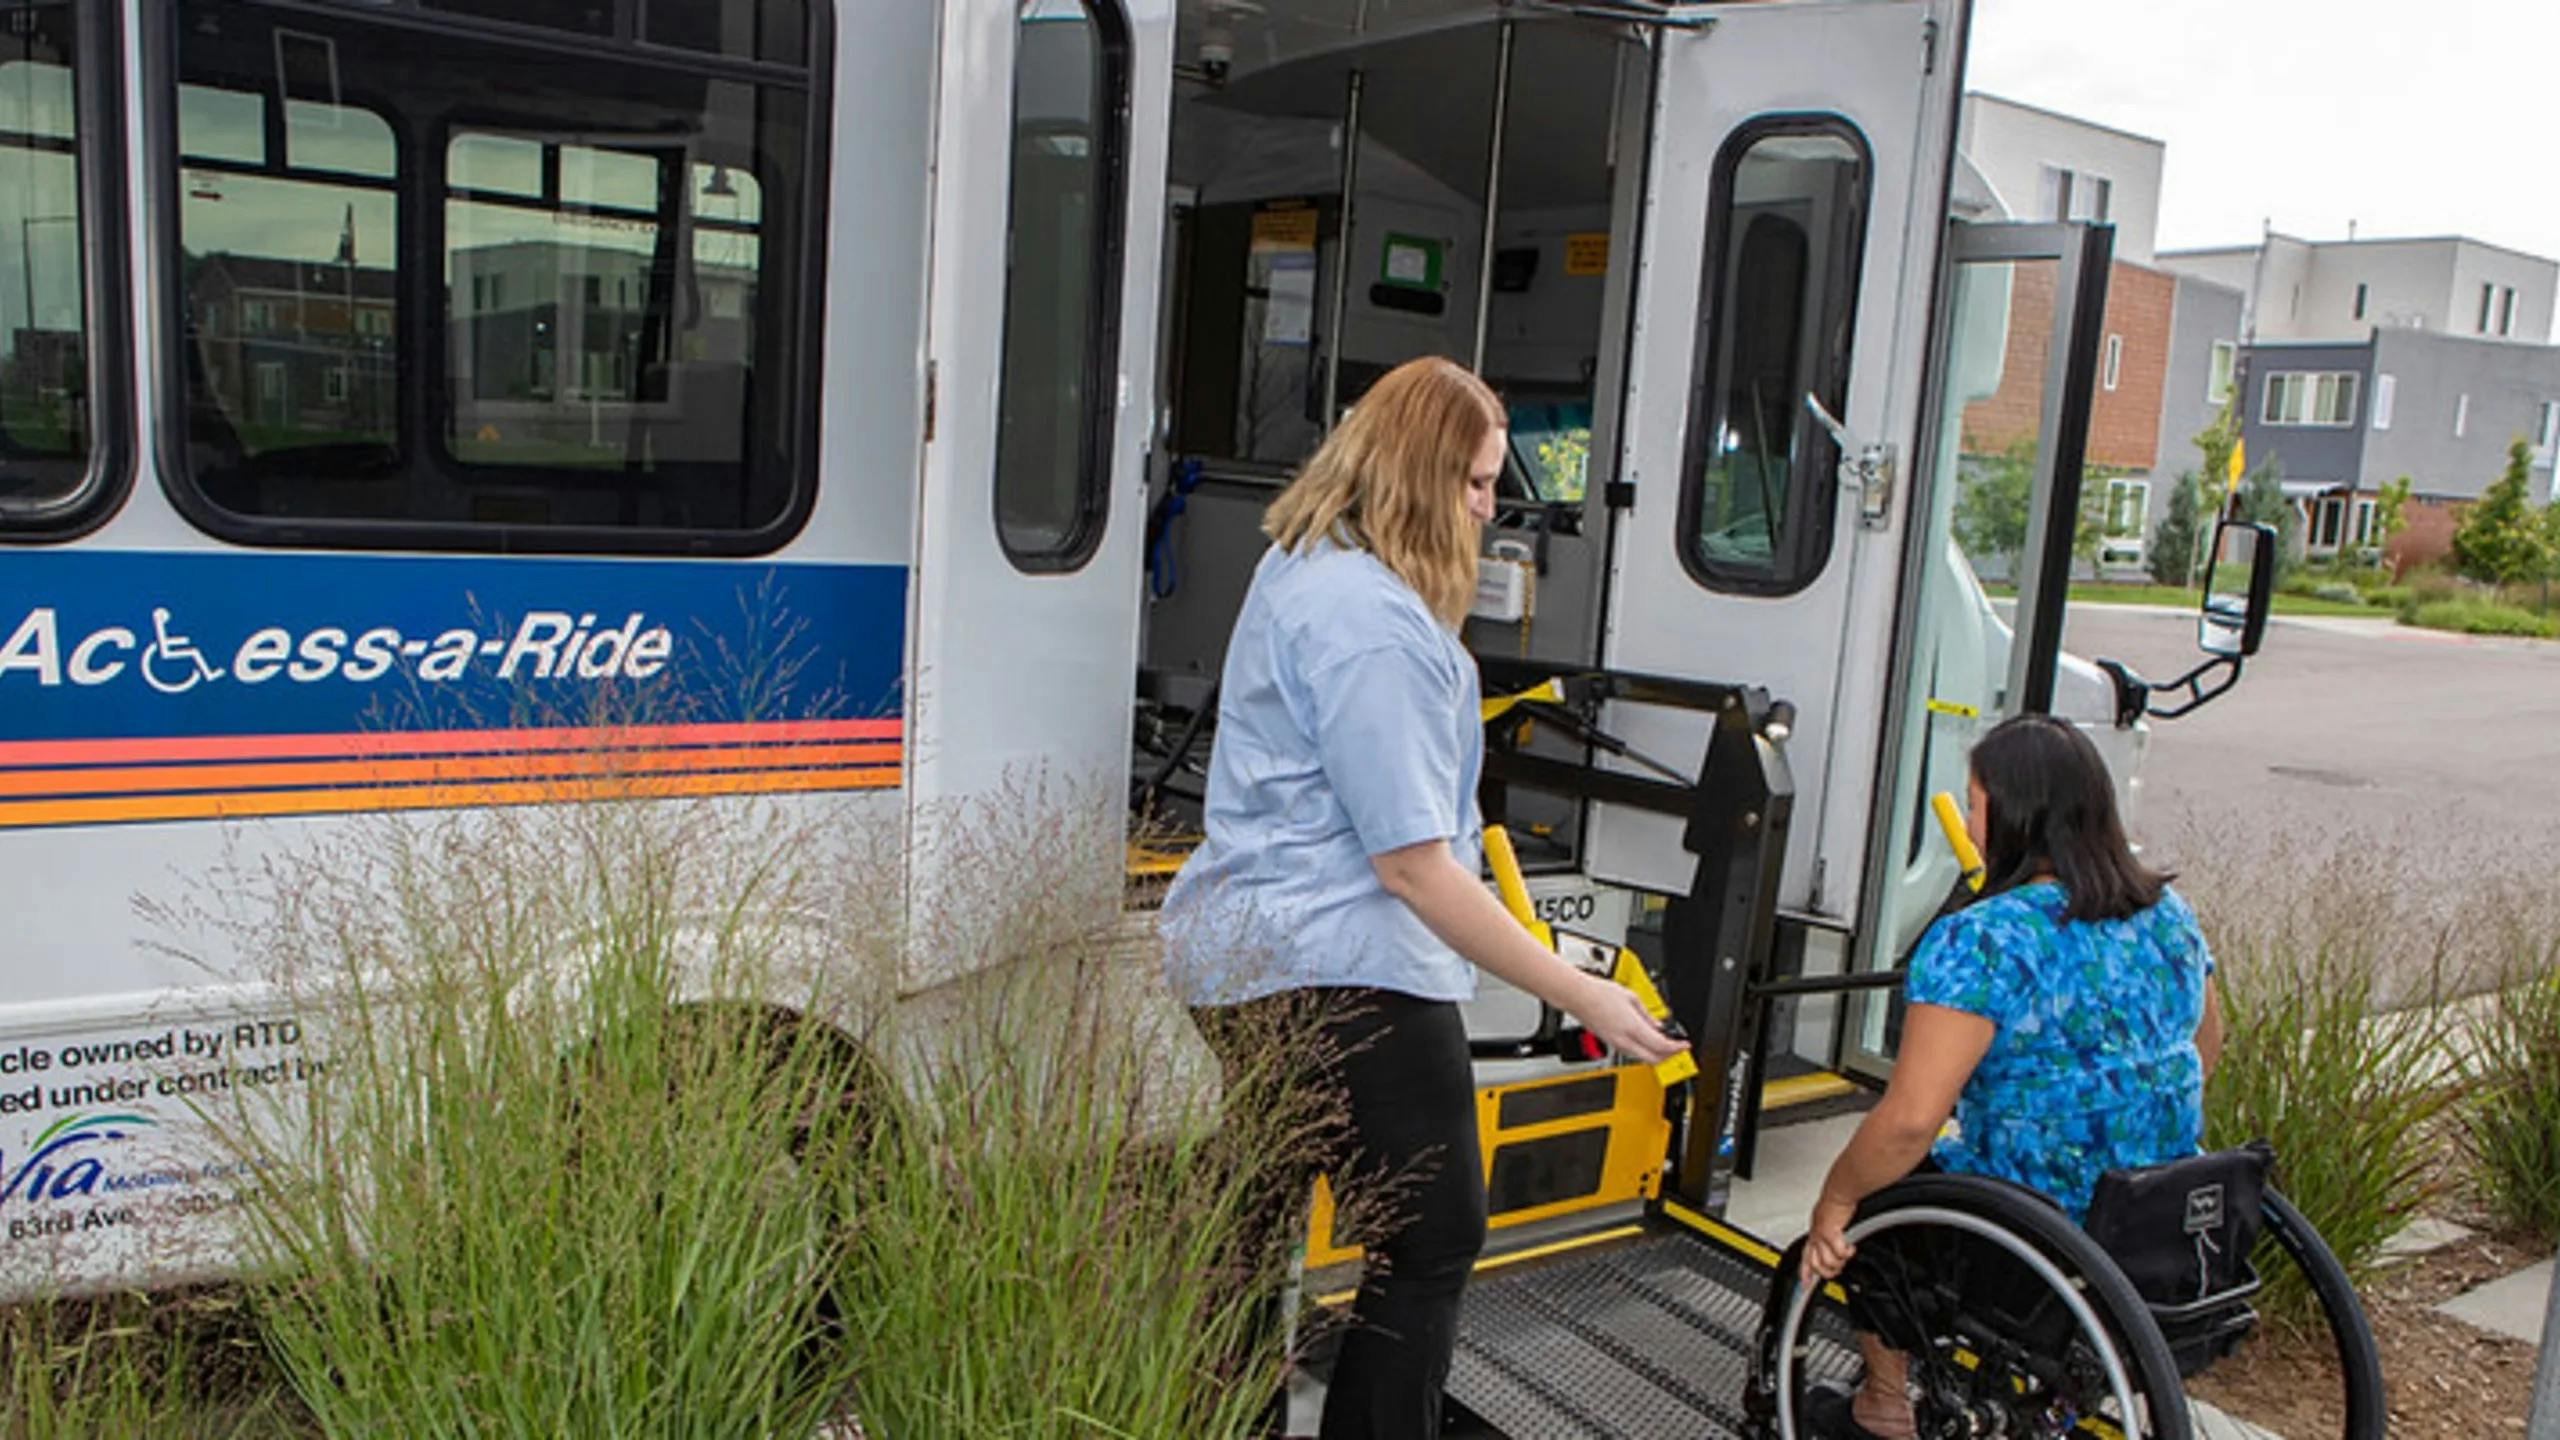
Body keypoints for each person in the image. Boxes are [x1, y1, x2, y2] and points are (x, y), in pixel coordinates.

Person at [1160, 355, 1685, 1440]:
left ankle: (1214, 1415)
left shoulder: (1306, 562)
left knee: (1249, 1215)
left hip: (1251, 953)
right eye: (1478, 482)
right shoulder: (1370, 625)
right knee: (1432, 1237)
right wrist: (1578, 991)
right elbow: (1409, 865)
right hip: (1339, 967)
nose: (1491, 508)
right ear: (1417, 474)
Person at [1798, 712, 2224, 1440]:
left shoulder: (1984, 940)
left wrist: (1835, 1200)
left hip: (2033, 1235)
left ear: (2016, 816)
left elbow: (1910, 1120)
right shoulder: (2166, 912)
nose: (1966, 822)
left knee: (1878, 1197)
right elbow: (2206, 1047)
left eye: (1974, 803)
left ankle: (1885, 1404)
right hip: (2157, 1215)